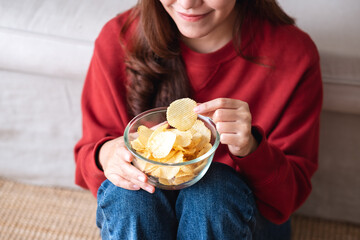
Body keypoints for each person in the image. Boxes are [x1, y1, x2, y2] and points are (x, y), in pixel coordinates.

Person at [74, 0, 322, 239]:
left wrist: (252, 149)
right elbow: (89, 158)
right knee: (128, 197)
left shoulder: (294, 54)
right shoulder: (119, 37)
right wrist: (107, 155)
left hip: (243, 217)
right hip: (145, 209)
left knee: (212, 194)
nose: (187, 3)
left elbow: (288, 198)